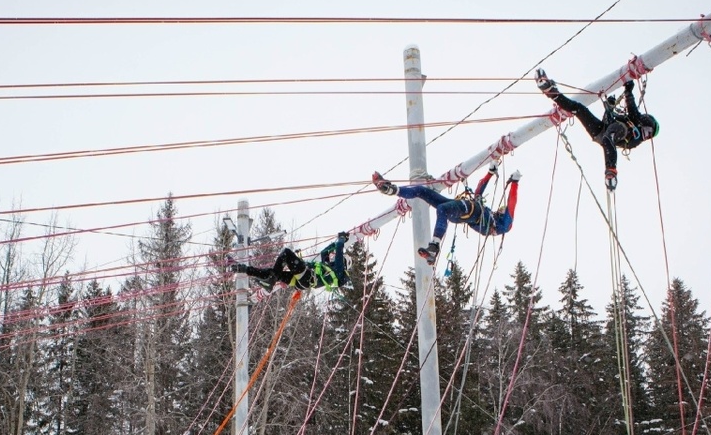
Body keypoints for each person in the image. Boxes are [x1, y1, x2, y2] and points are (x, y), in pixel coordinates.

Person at [371, 162, 520, 266]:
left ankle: (434, 246)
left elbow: (512, 204)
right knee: (422, 191)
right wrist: (489, 173)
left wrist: (514, 183)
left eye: (502, 209)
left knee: (442, 208)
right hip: (460, 213)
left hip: (469, 211)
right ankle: (392, 189)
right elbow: (479, 190)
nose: (500, 209)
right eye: (501, 208)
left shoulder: (504, 225)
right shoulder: (488, 213)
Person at [536, 69, 659, 191]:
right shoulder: (634, 123)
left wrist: (628, 90)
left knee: (610, 135)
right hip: (601, 132)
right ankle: (552, 92)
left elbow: (632, 112)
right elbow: (610, 121)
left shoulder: (636, 135)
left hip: (609, 134)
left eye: (648, 133)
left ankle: (611, 171)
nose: (645, 133)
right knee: (579, 109)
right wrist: (612, 105)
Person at [230, 232, 350, 291]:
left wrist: (341, 239)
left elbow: (339, 248)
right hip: (301, 282)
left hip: (307, 277)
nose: (334, 258)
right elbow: (324, 253)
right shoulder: (329, 268)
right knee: (274, 273)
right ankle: (245, 269)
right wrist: (334, 244)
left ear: (344, 262)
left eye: (339, 258)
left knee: (286, 253)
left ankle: (270, 281)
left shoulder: (339, 270)